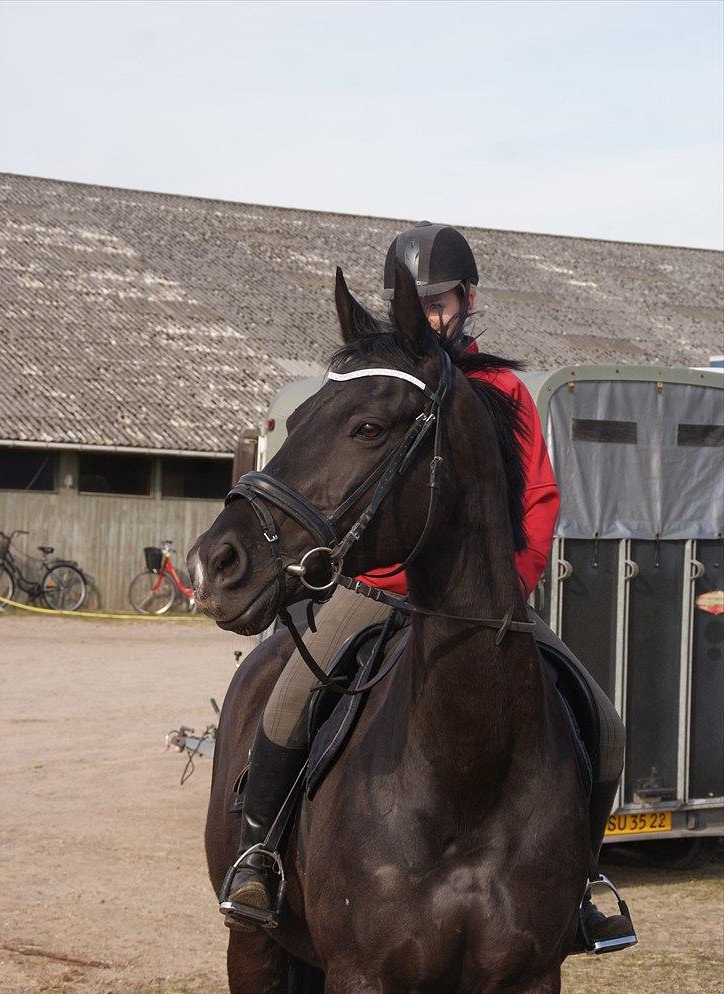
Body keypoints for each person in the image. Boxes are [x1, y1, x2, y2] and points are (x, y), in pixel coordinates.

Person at [225, 222, 635, 952]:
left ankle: (579, 883)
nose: (430, 314)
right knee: (286, 699)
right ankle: (257, 853)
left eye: (440, 301)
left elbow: (537, 500)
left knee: (602, 722)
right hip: (378, 589)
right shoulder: (381, 383)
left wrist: (510, 588)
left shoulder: (502, 391)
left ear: (467, 300)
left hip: (485, 601)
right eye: (415, 302)